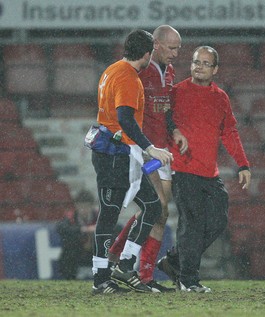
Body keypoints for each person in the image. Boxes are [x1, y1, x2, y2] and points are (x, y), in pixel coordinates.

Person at [157, 46, 251, 293]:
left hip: (210, 173)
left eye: (206, 63)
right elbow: (162, 123)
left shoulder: (220, 98)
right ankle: (189, 280)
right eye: (196, 62)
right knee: (193, 223)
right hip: (183, 169)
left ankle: (174, 261)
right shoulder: (176, 93)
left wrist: (243, 163)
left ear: (215, 69)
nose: (199, 66)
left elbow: (229, 132)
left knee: (218, 222)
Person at [89, 29, 175, 295]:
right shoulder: (129, 78)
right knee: (110, 213)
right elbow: (125, 117)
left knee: (152, 206)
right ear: (147, 54)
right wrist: (150, 147)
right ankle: (101, 277)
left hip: (112, 150)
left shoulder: (112, 69)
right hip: (115, 155)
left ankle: (125, 263)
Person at [107, 25, 187, 293]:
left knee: (157, 214)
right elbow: (126, 109)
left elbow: (165, 111)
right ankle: (137, 270)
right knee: (159, 209)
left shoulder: (169, 72)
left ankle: (119, 257)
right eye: (171, 47)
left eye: (178, 48)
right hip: (145, 150)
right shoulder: (140, 72)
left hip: (162, 150)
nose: (176, 53)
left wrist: (174, 130)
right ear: (156, 45)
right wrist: (144, 143)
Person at [56, 190, 97, 280]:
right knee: (68, 249)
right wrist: (82, 230)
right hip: (77, 252)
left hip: (94, 251)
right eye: (81, 207)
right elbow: (60, 228)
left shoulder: (99, 217)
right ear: (76, 206)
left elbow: (115, 228)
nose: (84, 210)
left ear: (91, 206)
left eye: (86, 207)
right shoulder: (71, 218)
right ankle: (69, 278)